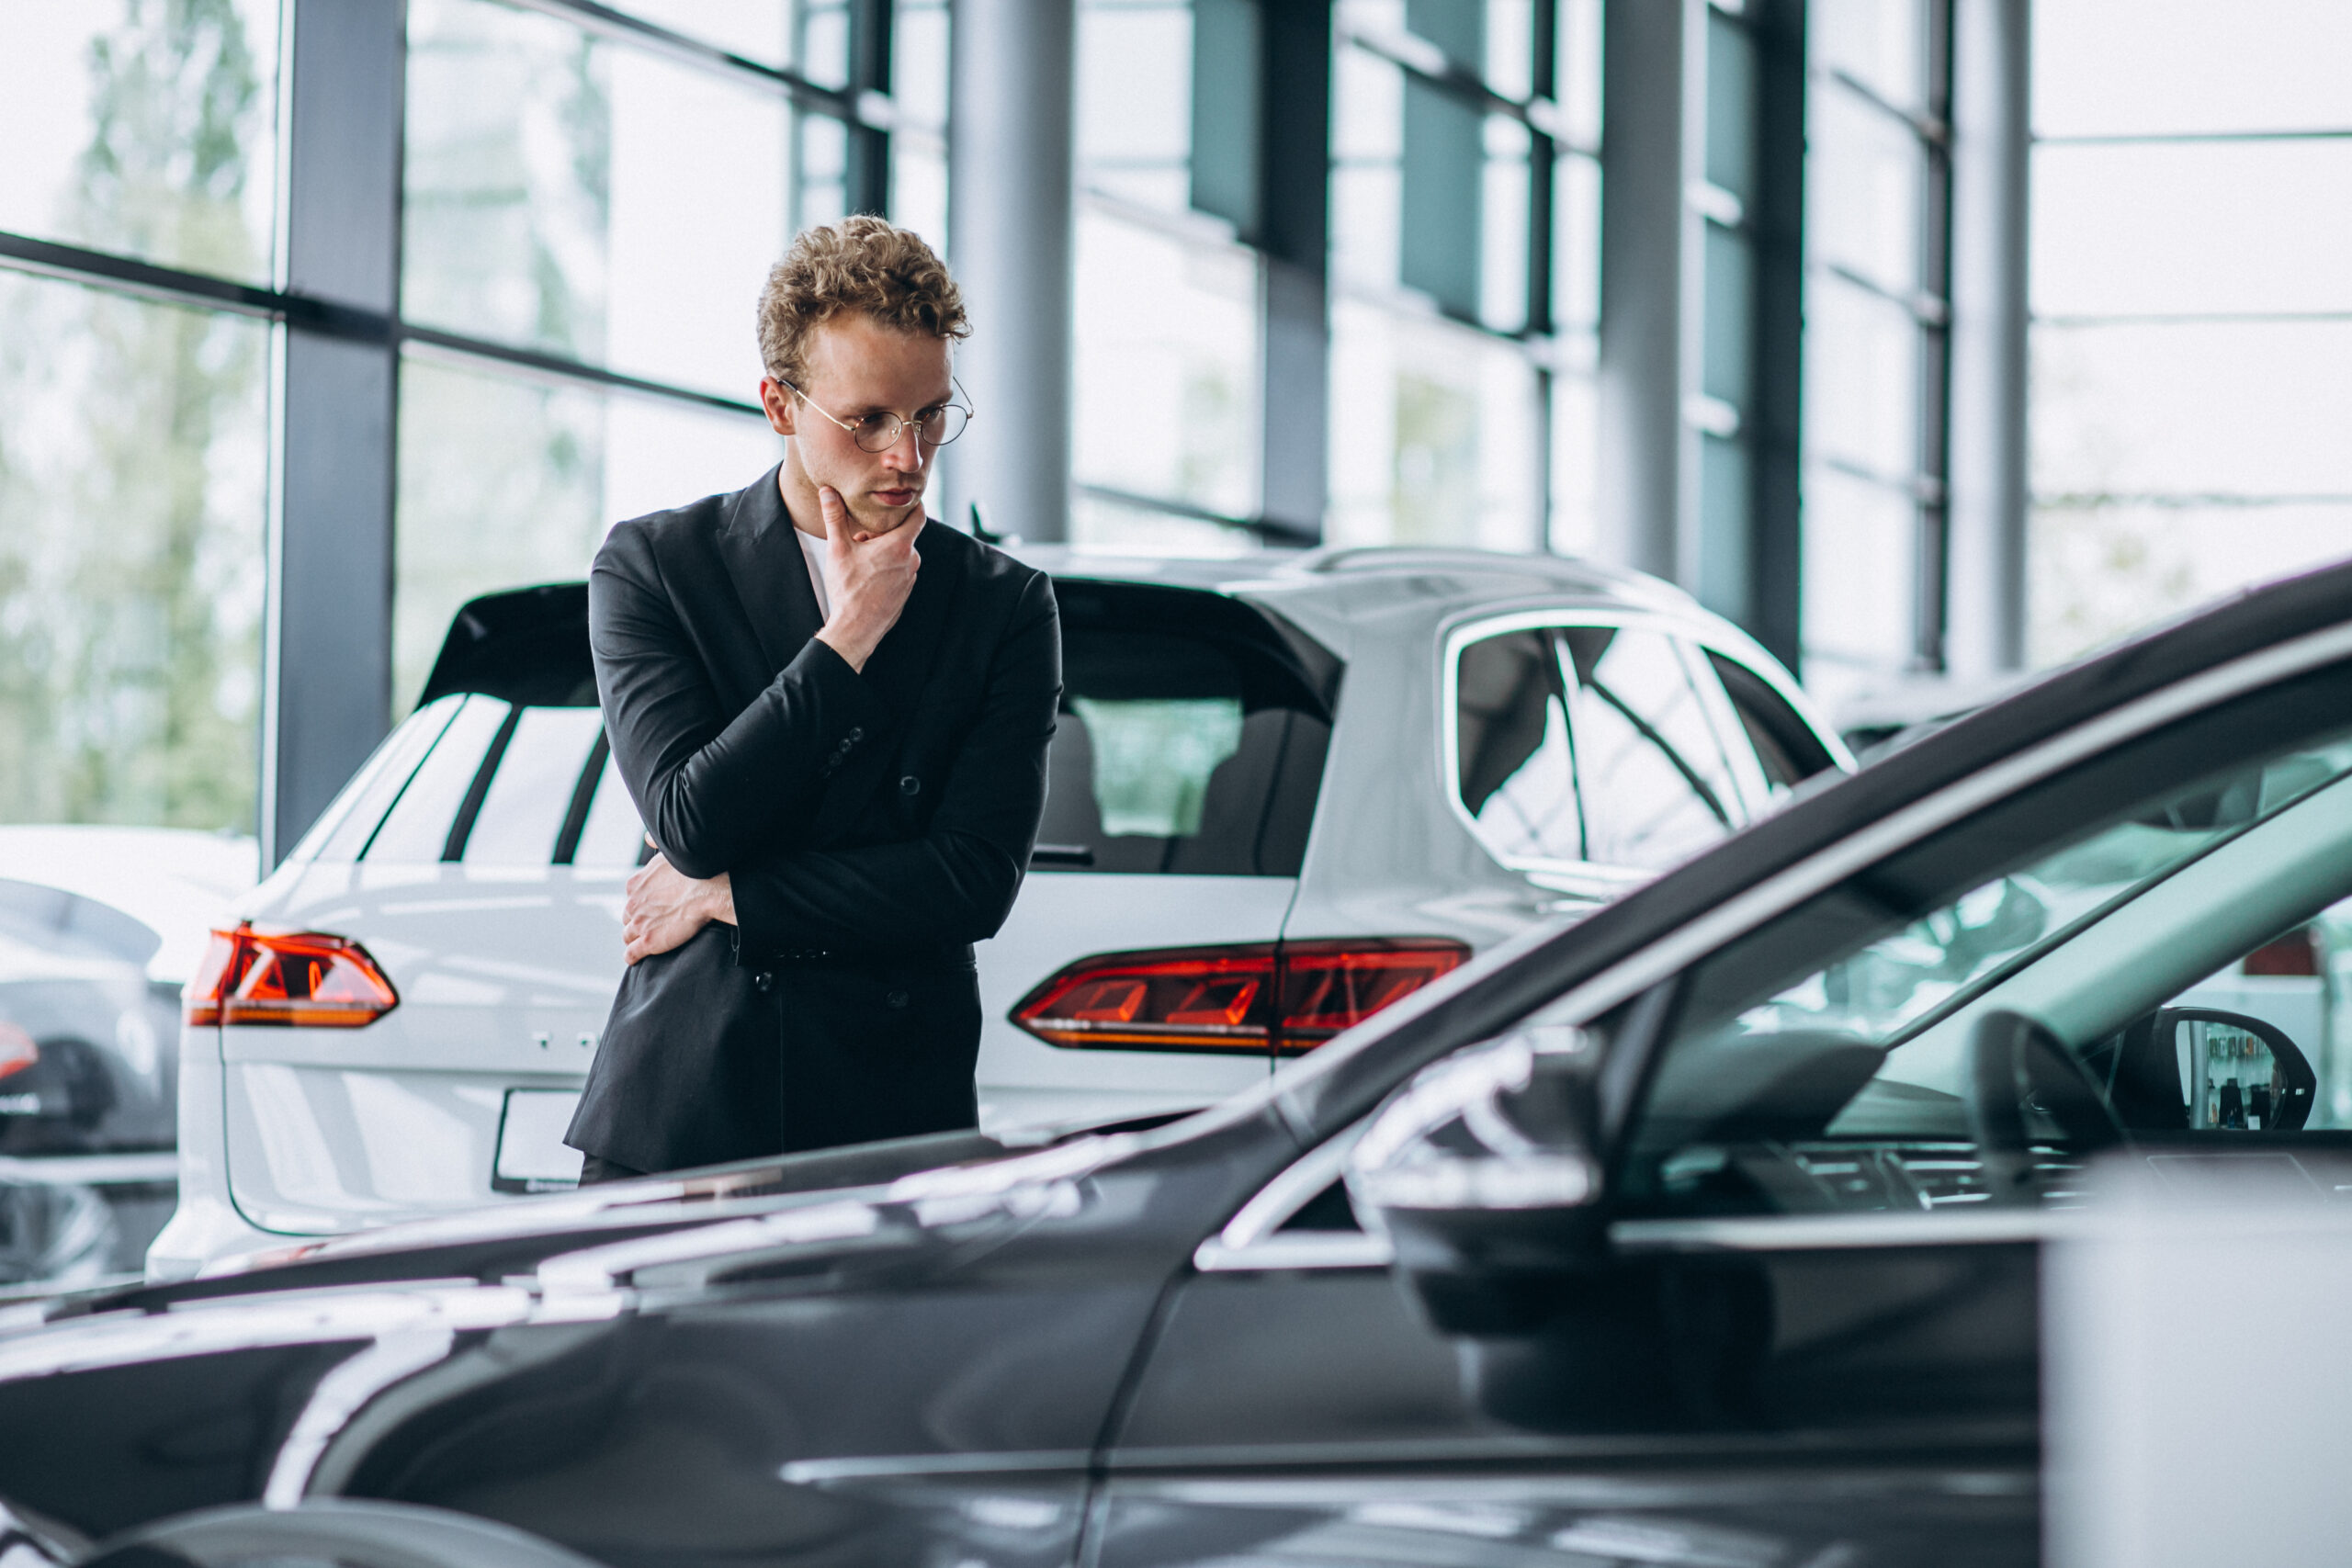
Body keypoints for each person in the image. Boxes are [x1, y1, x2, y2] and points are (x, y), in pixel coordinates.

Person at [563, 217, 1061, 1182]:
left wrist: (733, 896)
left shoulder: (1001, 604)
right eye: (868, 419)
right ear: (779, 406)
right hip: (683, 1123)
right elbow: (690, 818)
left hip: (890, 1127)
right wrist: (849, 640)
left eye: (928, 416)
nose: (907, 457)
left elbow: (970, 881)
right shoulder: (657, 567)